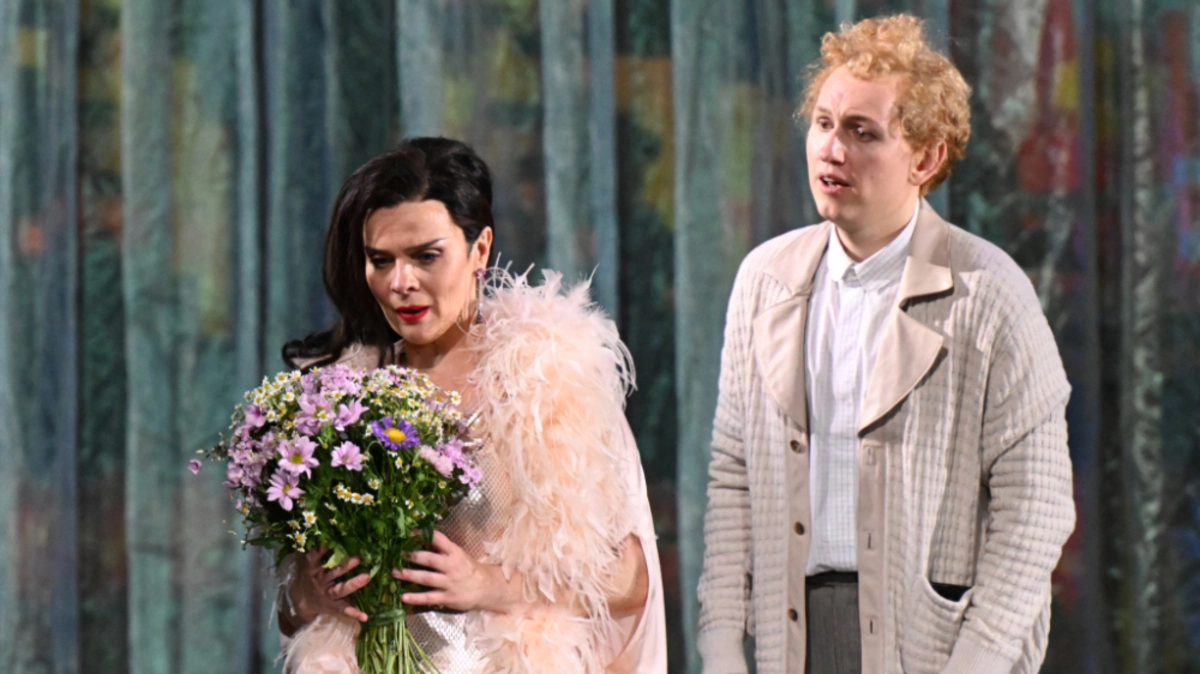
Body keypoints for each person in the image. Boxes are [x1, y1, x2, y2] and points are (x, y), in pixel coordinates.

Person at [696, 15, 1074, 674]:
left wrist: (978, 660)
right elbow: (734, 476)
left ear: (924, 159)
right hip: (793, 637)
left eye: (861, 132)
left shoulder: (989, 293)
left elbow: (1036, 508)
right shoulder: (765, 280)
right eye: (822, 124)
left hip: (932, 645)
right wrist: (721, 643)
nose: (831, 150)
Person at [275, 137, 666, 673]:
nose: (400, 283)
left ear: (480, 250)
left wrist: (488, 584)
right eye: (380, 260)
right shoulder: (342, 399)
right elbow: (291, 611)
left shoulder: (548, 384)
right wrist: (311, 592)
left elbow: (632, 579)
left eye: (426, 256)